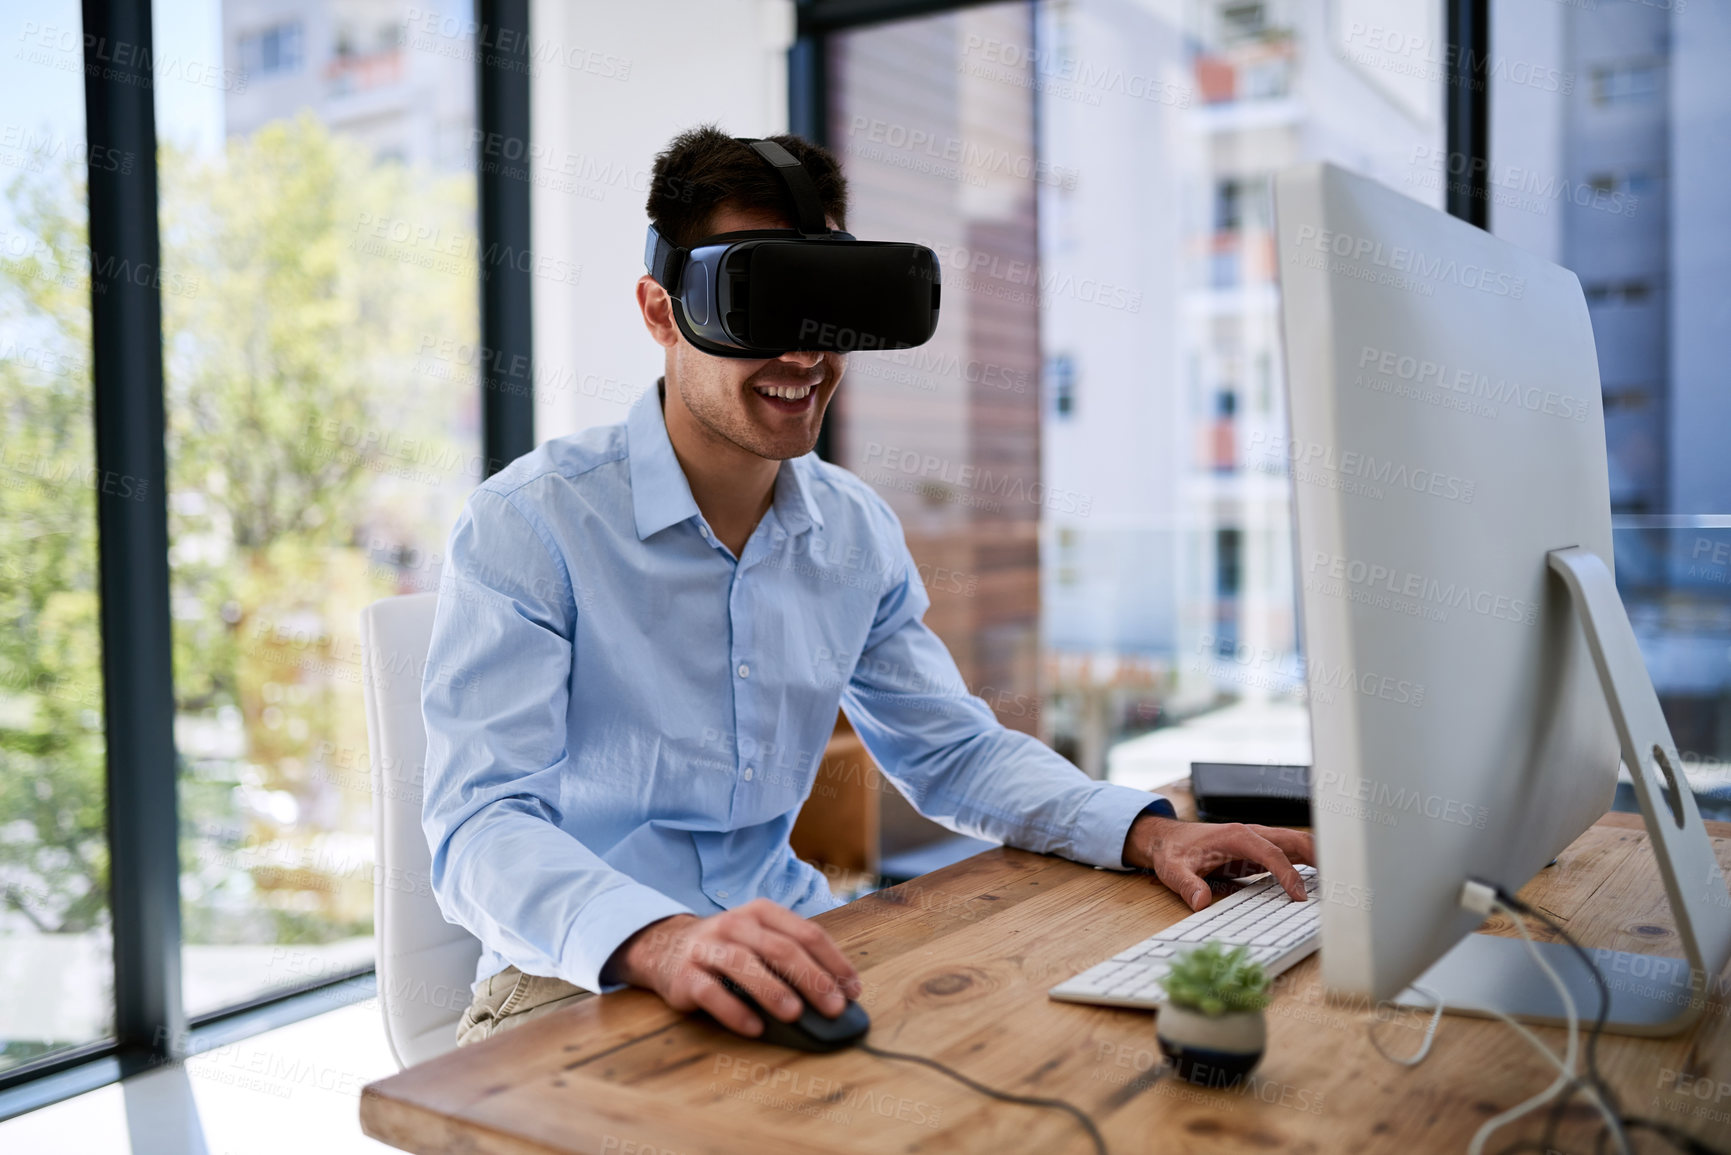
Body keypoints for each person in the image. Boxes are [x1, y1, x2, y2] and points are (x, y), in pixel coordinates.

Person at [423, 126, 1315, 1047]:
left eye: (827, 308)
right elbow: (477, 828)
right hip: (578, 976)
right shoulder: (531, 524)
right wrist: (660, 939)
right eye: (763, 303)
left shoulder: (851, 530)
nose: (807, 356)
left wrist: (1145, 831)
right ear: (660, 312)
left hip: (794, 938)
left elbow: (951, 753)